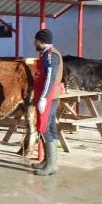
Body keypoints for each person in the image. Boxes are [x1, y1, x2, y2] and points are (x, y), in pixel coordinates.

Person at [31, 28, 64, 177]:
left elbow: (50, 78)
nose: (34, 42)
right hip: (48, 96)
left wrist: (43, 98)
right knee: (49, 127)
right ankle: (48, 161)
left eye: (36, 40)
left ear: (41, 41)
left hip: (49, 97)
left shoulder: (51, 56)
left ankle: (51, 165)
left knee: (45, 128)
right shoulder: (46, 54)